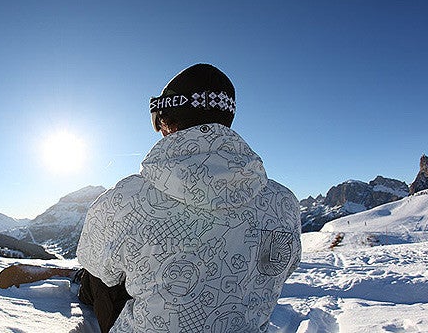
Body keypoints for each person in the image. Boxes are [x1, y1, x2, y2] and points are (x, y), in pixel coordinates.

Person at [76, 63, 301, 332]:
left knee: (98, 276)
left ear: (167, 123)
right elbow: (285, 266)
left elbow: (93, 260)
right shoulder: (284, 203)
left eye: (158, 120)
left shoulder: (125, 199)